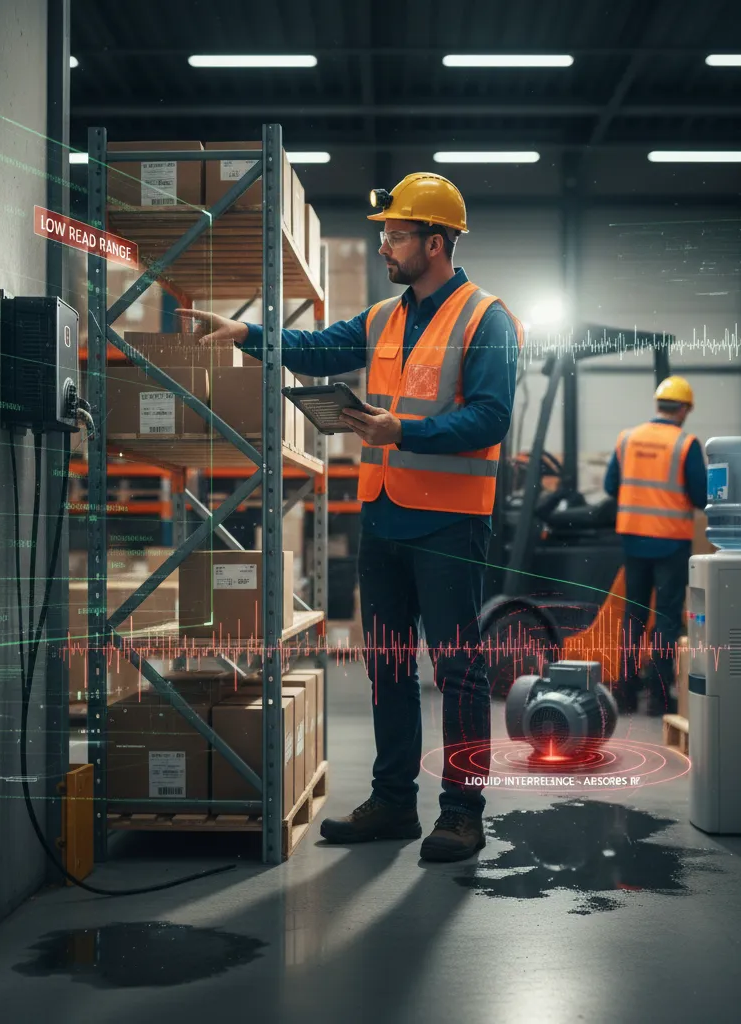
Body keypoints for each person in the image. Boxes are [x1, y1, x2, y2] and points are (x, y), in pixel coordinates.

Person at [182, 172, 522, 861]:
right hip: (386, 518)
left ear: (435, 241)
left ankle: (462, 810)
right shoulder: (384, 318)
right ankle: (394, 801)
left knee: (457, 669)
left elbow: (491, 416)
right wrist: (246, 331)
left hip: (451, 524)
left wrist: (402, 432)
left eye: (395, 235)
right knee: (387, 668)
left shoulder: (488, 318)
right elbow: (319, 349)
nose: (384, 248)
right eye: (385, 235)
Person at [603, 376, 706, 716]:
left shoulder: (627, 438)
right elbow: (702, 496)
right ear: (685, 409)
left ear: (658, 404)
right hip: (671, 542)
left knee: (633, 616)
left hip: (633, 539)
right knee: (665, 620)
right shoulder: (685, 443)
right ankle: (660, 699)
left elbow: (609, 486)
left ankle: (626, 694)